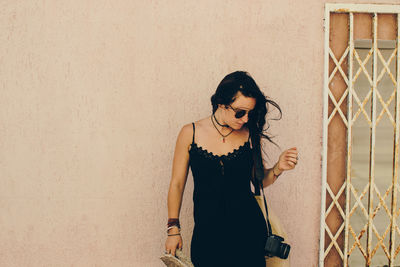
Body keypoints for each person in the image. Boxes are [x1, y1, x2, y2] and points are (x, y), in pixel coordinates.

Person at [165, 71, 299, 267]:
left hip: (248, 233)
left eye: (249, 113)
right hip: (207, 235)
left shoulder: (249, 135)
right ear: (221, 102)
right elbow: (176, 185)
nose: (245, 119)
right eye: (240, 112)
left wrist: (278, 168)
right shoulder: (190, 133)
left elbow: (258, 181)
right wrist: (173, 230)